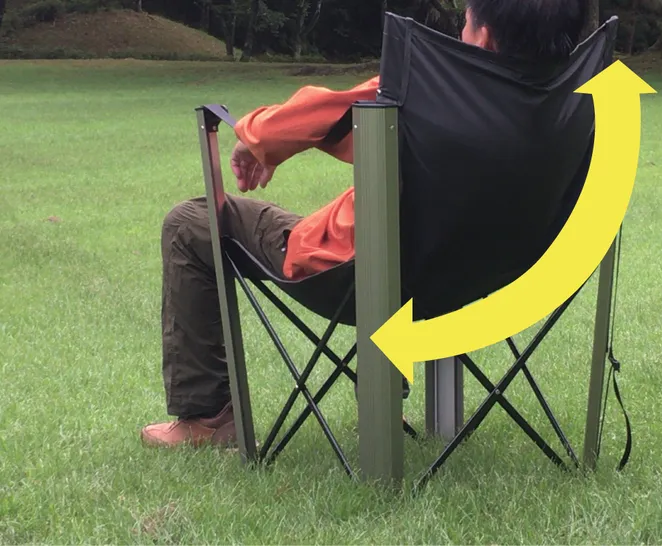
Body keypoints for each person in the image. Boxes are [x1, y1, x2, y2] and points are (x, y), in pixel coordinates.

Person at [140, 0, 585, 448]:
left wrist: (255, 137)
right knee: (397, 225)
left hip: (356, 275)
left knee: (189, 223)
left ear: (483, 38)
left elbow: (317, 118)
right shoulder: (572, 108)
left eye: (465, 24)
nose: (460, 37)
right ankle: (386, 390)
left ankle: (207, 418)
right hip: (479, 277)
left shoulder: (432, 94)